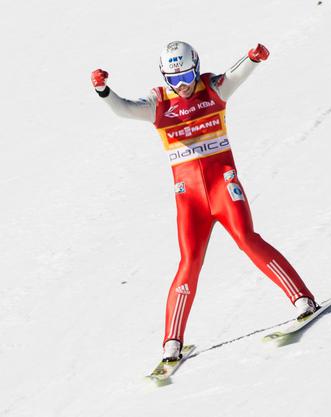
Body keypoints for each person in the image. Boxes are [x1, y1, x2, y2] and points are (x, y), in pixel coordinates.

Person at [91, 41, 317, 362]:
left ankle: (302, 299)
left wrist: (254, 58)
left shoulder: (212, 89)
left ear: (195, 68)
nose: (181, 86)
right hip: (190, 199)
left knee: (247, 239)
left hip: (222, 184)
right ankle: (172, 341)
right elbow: (123, 108)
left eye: (186, 77)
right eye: (174, 79)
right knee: (189, 263)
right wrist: (103, 90)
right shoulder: (159, 103)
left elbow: (236, 76)